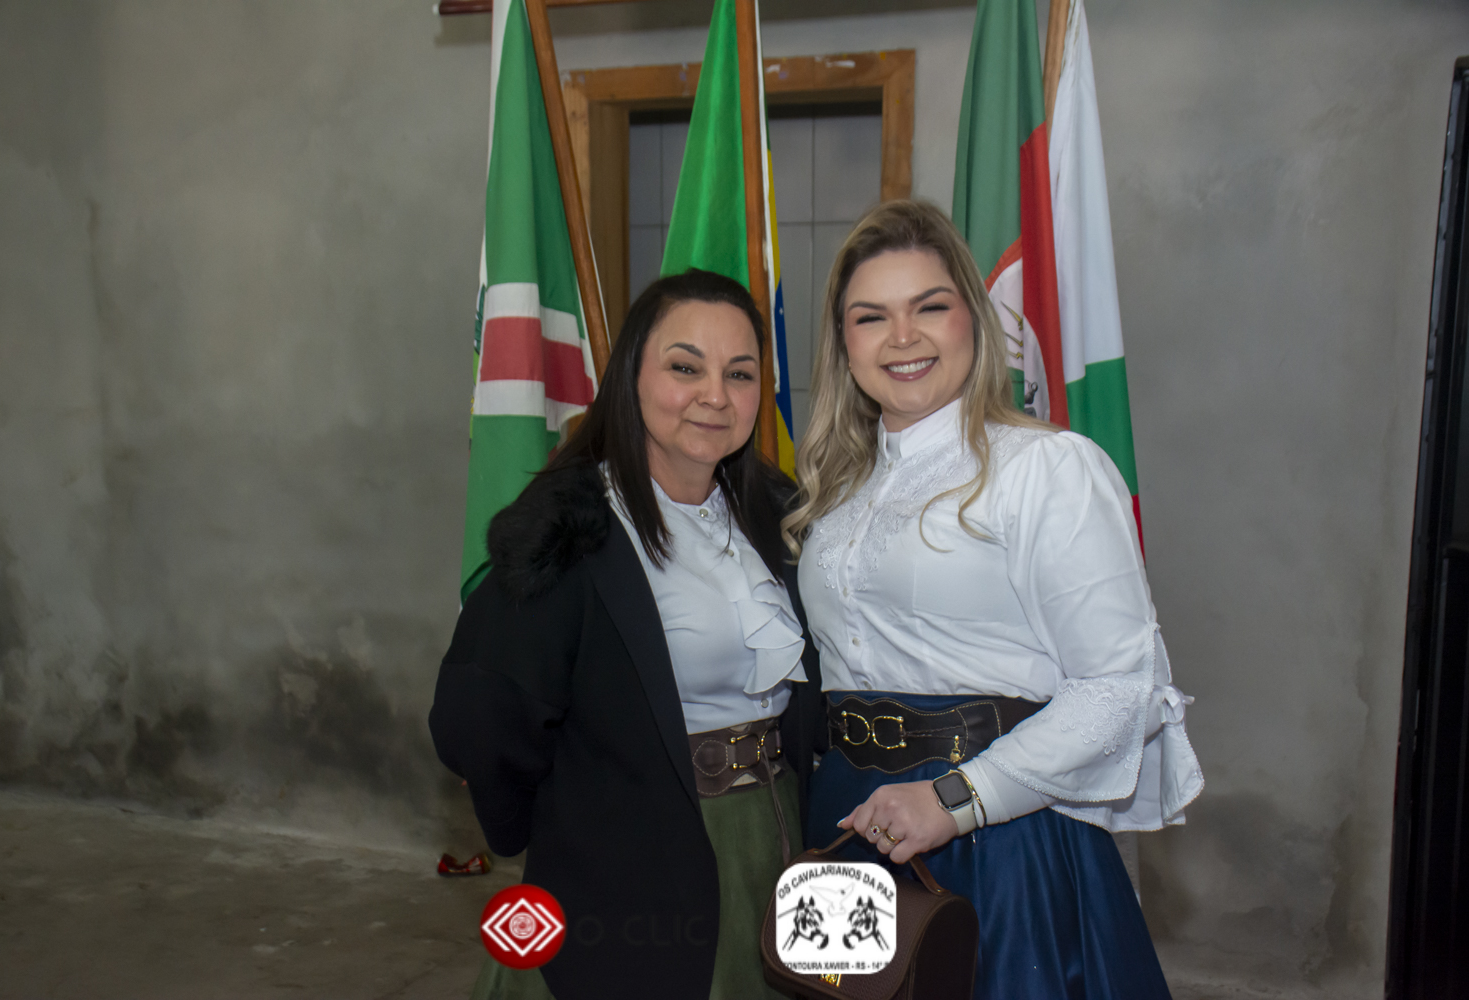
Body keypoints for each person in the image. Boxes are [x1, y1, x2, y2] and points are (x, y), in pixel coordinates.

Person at [783, 200, 1204, 999]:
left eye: (928, 307)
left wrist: (957, 800)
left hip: (996, 829)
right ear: (844, 343)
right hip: (849, 818)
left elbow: (1119, 689)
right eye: (871, 317)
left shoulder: (1047, 469)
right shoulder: (835, 492)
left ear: (973, 321)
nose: (902, 337)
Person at [430, 269, 822, 1000]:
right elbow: (480, 711)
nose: (716, 395)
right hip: (629, 860)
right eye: (685, 368)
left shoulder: (779, 513)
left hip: (775, 841)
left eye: (740, 374)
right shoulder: (569, 527)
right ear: (631, 378)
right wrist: (564, 814)